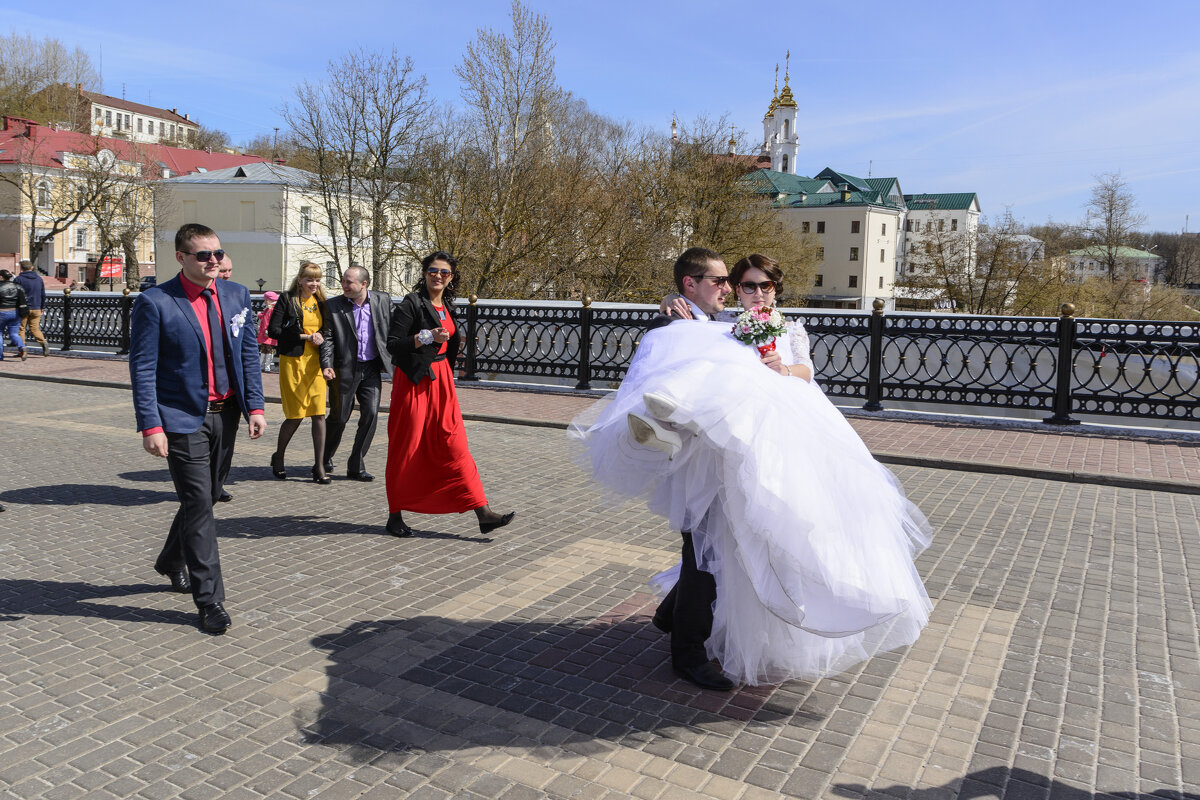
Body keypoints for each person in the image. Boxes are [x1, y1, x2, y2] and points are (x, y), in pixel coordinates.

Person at [571, 251, 932, 689]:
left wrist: (783, 369)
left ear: (776, 289)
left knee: (752, 543)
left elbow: (806, 371)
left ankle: (673, 614)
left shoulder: (788, 327)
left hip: (782, 445)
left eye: (765, 286)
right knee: (707, 547)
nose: (755, 293)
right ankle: (687, 651)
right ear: (735, 289)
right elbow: (685, 341)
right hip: (717, 454)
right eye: (746, 286)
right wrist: (669, 301)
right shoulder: (720, 326)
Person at [129, 224, 266, 634]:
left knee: (202, 498)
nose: (213, 261)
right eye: (203, 255)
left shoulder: (236, 294)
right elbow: (143, 368)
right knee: (200, 505)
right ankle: (210, 601)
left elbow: (248, 354)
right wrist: (151, 424)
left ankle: (171, 560)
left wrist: (256, 406)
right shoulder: (156, 302)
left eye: (218, 254)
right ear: (181, 258)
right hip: (180, 418)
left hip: (226, 413)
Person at [383, 251, 515, 537]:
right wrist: (427, 337)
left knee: (455, 446)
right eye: (433, 270)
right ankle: (395, 516)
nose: (438, 276)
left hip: (442, 383)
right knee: (407, 447)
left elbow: (450, 345)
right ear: (424, 273)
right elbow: (393, 344)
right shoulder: (411, 303)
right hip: (415, 383)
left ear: (452, 277)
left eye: (444, 272)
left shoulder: (448, 306)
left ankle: (483, 513)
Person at [320, 265, 393, 481]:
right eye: (343, 281)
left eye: (348, 282)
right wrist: (326, 364)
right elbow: (328, 337)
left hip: (371, 368)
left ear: (364, 284)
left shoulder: (382, 300)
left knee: (370, 414)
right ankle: (324, 457)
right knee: (339, 417)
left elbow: (394, 327)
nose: (344, 285)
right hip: (344, 369)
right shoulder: (333, 306)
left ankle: (356, 464)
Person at [267, 262, 334, 484]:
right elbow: (273, 331)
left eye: (317, 279)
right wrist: (305, 337)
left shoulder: (322, 303)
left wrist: (322, 338)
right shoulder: (287, 300)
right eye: (309, 279)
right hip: (293, 362)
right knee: (295, 415)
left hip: (315, 364)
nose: (314, 284)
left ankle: (319, 467)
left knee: (318, 414)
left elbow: (328, 331)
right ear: (300, 280)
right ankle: (279, 457)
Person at [14, 260, 48, 356]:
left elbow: (15, 294)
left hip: (23, 308)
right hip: (37, 307)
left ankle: (23, 350)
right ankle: (44, 343)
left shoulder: (18, 279)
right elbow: (43, 294)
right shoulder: (39, 279)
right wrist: (42, 307)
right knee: (35, 329)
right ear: (32, 267)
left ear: (21, 268)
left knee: (21, 329)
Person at [0, 269, 29, 361]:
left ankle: (0, 355)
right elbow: (24, 300)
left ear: (1, 277)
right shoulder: (18, 286)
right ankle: (22, 347)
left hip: (1, 312)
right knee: (14, 334)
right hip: (15, 312)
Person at [257, 291, 279, 373]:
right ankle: (262, 365)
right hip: (265, 333)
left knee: (269, 350)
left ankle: (267, 366)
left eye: (267, 300)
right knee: (263, 350)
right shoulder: (268, 309)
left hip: (268, 333)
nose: (265, 301)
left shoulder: (272, 309)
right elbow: (265, 318)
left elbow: (270, 321)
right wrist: (260, 315)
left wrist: (268, 330)